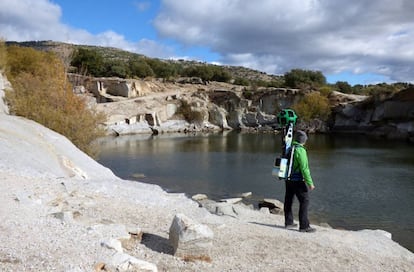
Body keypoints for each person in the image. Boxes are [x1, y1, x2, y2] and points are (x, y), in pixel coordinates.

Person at [284, 130, 316, 232]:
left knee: (289, 199)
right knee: (304, 201)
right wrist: (310, 183)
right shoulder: (300, 150)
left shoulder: (289, 148)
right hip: (297, 180)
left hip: (288, 179)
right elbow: (304, 168)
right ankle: (304, 226)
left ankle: (288, 222)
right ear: (303, 140)